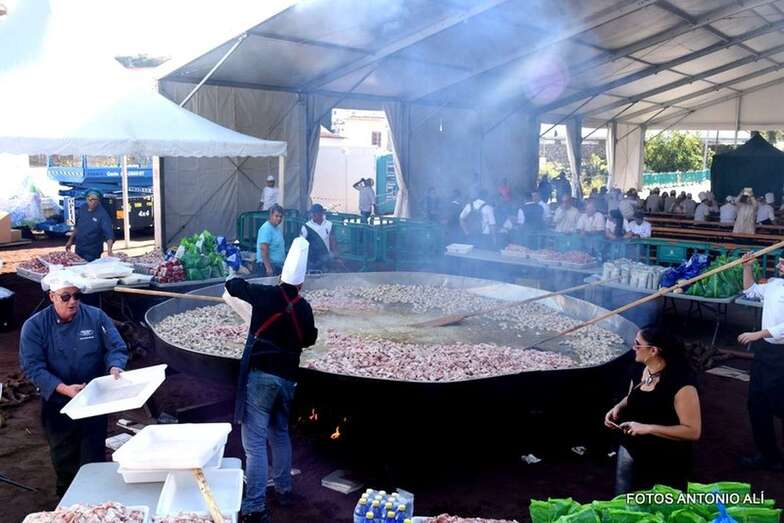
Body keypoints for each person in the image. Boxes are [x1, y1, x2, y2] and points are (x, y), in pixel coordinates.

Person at [226, 238, 318, 523]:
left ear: (280, 277)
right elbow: (310, 338)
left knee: (254, 443)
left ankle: (254, 507)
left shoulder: (265, 294)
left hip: (260, 378)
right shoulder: (303, 308)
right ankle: (284, 490)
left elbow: (233, 286)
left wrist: (235, 272)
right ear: (301, 283)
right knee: (279, 434)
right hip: (287, 379)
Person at [19, 271, 128, 496]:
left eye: (77, 296)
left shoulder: (96, 317)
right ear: (52, 297)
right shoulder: (34, 326)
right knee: (64, 454)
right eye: (65, 297)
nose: (72, 302)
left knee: (93, 453)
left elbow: (116, 347)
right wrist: (64, 389)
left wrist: (115, 366)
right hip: (58, 401)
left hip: (92, 398)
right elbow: (33, 367)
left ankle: (97, 499)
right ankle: (67, 497)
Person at [605, 326, 701, 492]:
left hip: (665, 459)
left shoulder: (681, 384)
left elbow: (693, 431)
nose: (633, 348)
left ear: (653, 350)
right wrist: (618, 407)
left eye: (638, 344)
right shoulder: (638, 368)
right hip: (631, 449)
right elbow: (633, 396)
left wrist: (647, 428)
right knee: (623, 498)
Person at [736, 253, 784, 471]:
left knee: (780, 404)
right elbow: (751, 290)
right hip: (765, 352)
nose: (779, 265)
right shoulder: (774, 284)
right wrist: (747, 267)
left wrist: (758, 334)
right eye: (780, 261)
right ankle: (768, 455)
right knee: (757, 403)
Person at [64, 189, 113, 262]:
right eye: (90, 200)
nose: (92, 202)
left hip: (93, 250)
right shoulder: (82, 208)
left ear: (99, 201)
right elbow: (77, 226)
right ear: (86, 199)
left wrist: (109, 250)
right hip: (79, 247)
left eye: (95, 200)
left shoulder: (103, 214)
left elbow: (109, 234)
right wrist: (70, 240)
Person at [300, 204, 336, 272]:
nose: (313, 214)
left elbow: (332, 240)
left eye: (316, 212)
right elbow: (301, 243)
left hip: (325, 258)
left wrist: (334, 254)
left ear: (322, 213)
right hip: (312, 260)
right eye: (312, 212)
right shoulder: (306, 226)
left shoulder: (329, 225)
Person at [257, 204, 285, 277]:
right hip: (267, 267)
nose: (279, 218)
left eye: (281, 216)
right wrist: (268, 268)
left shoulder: (277, 229)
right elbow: (263, 249)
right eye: (276, 216)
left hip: (276, 266)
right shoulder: (266, 228)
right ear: (270, 216)